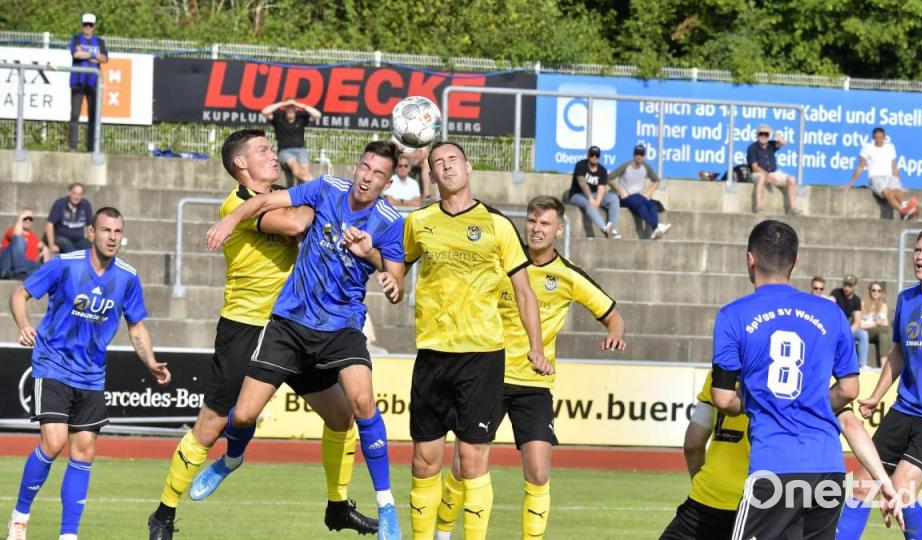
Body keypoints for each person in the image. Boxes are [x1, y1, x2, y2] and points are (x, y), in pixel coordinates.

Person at [147, 129, 377, 539]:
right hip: (249, 325)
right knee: (212, 424)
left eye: (272, 149)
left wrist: (315, 205)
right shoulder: (238, 203)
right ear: (241, 164)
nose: (273, 156)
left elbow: (316, 213)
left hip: (298, 326)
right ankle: (163, 513)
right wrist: (315, 206)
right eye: (263, 151)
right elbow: (295, 222)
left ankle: (338, 505)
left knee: (342, 416)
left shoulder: (282, 192)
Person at [200, 140, 408, 540]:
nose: (367, 177)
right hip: (291, 321)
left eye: (378, 173)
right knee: (241, 417)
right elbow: (264, 201)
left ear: (387, 181)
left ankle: (386, 507)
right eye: (364, 166)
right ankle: (230, 461)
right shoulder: (326, 188)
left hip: (342, 326)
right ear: (358, 166)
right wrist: (229, 221)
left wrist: (376, 262)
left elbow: (397, 280)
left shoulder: (390, 221)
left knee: (361, 404)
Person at [434, 195, 626, 540]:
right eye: (532, 222)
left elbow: (613, 315)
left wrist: (614, 333)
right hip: (488, 375)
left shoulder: (567, 275)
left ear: (559, 229)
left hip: (534, 384)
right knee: (463, 467)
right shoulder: (500, 262)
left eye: (545, 224)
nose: (537, 230)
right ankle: (442, 532)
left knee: (538, 473)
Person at [403, 141, 547, 540]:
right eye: (438, 164)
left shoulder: (497, 225)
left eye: (452, 160)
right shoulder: (418, 222)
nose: (446, 168)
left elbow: (524, 291)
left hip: (481, 356)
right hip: (432, 353)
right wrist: (393, 279)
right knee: (424, 461)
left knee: (471, 461)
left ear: (468, 167)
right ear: (431, 175)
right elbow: (398, 262)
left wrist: (535, 346)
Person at [5, 207, 170, 540]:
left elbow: (136, 325)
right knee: (53, 443)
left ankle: (69, 535)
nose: (112, 237)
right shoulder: (65, 265)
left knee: (84, 452)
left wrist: (150, 361)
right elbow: (19, 294)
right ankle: (20, 517)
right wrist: (24, 325)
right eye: (106, 230)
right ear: (92, 232)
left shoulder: (127, 276)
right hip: (52, 364)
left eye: (118, 232)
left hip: (92, 375)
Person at [710, 220, 860, 539]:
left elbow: (723, 399)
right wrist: (812, 400)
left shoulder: (732, 315)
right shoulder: (831, 314)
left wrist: (757, 400)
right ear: (796, 260)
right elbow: (849, 389)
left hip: (775, 465)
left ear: (750, 259)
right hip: (828, 467)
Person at [659, 372, 902, 540]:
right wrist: (883, 479)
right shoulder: (806, 377)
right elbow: (851, 426)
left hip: (711, 498)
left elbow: (693, 442)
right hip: (772, 499)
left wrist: (701, 483)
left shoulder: (718, 375)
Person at [836, 229, 922, 540]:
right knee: (863, 483)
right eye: (917, 250)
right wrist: (877, 396)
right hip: (904, 408)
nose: (920, 256)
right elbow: (898, 352)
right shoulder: (906, 299)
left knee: (903, 488)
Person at [846, 127, 918, 220]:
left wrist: (899, 183)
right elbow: (860, 166)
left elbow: (894, 166)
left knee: (898, 193)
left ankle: (906, 210)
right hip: (876, 177)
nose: (879, 140)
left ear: (884, 137)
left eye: (881, 138)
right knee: (887, 192)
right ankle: (904, 211)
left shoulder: (890, 147)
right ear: (873, 138)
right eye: (877, 138)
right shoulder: (867, 148)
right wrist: (850, 184)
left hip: (890, 177)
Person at [608, 144, 672, 239]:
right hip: (625, 198)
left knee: (653, 206)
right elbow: (608, 178)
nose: (639, 156)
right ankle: (657, 226)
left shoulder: (646, 167)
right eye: (637, 154)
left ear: (644, 156)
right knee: (641, 206)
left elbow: (656, 180)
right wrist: (619, 190)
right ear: (633, 155)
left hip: (638, 197)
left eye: (641, 155)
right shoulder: (625, 166)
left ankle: (656, 229)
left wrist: (647, 194)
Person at [68, 13, 108, 152]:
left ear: (94, 26)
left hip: (93, 84)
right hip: (77, 83)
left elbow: (104, 59)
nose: (88, 27)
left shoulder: (100, 42)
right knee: (75, 115)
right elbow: (75, 54)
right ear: (82, 25)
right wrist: (92, 55)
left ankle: (91, 147)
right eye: (85, 24)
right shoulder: (75, 39)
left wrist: (85, 54)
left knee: (93, 116)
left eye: (90, 25)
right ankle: (72, 146)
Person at [261, 98, 322, 185]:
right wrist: (282, 103)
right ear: (285, 109)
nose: (290, 110)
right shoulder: (278, 118)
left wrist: (298, 104)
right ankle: (317, 188)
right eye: (288, 108)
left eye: (292, 108)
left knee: (305, 171)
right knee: (295, 166)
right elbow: (264, 112)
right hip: (285, 151)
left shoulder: (301, 118)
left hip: (301, 150)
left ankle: (310, 190)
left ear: (295, 109)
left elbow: (318, 115)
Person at [565, 145, 621, 239]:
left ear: (599, 157)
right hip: (577, 195)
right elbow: (582, 183)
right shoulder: (581, 165)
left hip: (595, 195)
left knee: (614, 198)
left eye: (597, 155)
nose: (594, 157)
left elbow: (601, 187)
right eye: (592, 155)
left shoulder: (602, 170)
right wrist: (591, 199)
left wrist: (598, 202)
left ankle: (613, 230)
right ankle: (604, 228)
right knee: (589, 203)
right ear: (588, 156)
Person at [746, 124, 800, 215]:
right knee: (761, 177)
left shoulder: (771, 145)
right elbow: (754, 167)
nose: (763, 136)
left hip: (773, 172)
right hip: (758, 173)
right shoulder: (752, 147)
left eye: (766, 134)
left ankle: (793, 208)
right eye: (761, 134)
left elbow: (783, 142)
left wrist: (773, 133)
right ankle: (759, 207)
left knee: (791, 179)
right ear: (757, 135)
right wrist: (767, 176)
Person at [831, 275, 869, 368]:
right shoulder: (836, 293)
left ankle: (862, 364)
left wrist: (847, 332)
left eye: (849, 285)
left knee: (863, 335)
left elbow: (857, 321)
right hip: (834, 325)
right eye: (845, 285)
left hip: (847, 327)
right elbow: (830, 304)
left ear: (855, 286)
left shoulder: (856, 300)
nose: (846, 288)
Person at [46, 183, 94, 255]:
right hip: (62, 238)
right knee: (69, 247)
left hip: (79, 239)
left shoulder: (85, 205)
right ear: (70, 193)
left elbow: (90, 225)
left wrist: (92, 241)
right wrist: (51, 245)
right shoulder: (60, 204)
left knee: (90, 248)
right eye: (74, 193)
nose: (77, 197)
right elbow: (49, 224)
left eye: (79, 194)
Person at [0, 209, 49, 280]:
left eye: (30, 218)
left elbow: (41, 245)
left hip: (25, 265)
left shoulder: (34, 237)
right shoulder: (12, 230)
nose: (28, 220)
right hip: (7, 264)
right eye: (25, 218)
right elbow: (17, 235)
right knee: (19, 240)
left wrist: (45, 248)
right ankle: (19, 271)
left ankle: (16, 274)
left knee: (46, 268)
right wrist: (20, 218)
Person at [860, 281, 892, 367]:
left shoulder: (883, 306)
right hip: (864, 331)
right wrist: (874, 324)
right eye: (873, 290)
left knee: (884, 336)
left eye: (879, 291)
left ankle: (883, 366)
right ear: (869, 291)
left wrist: (878, 324)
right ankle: (893, 349)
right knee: (887, 329)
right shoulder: (862, 304)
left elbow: (885, 322)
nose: (876, 293)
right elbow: (858, 324)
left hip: (877, 332)